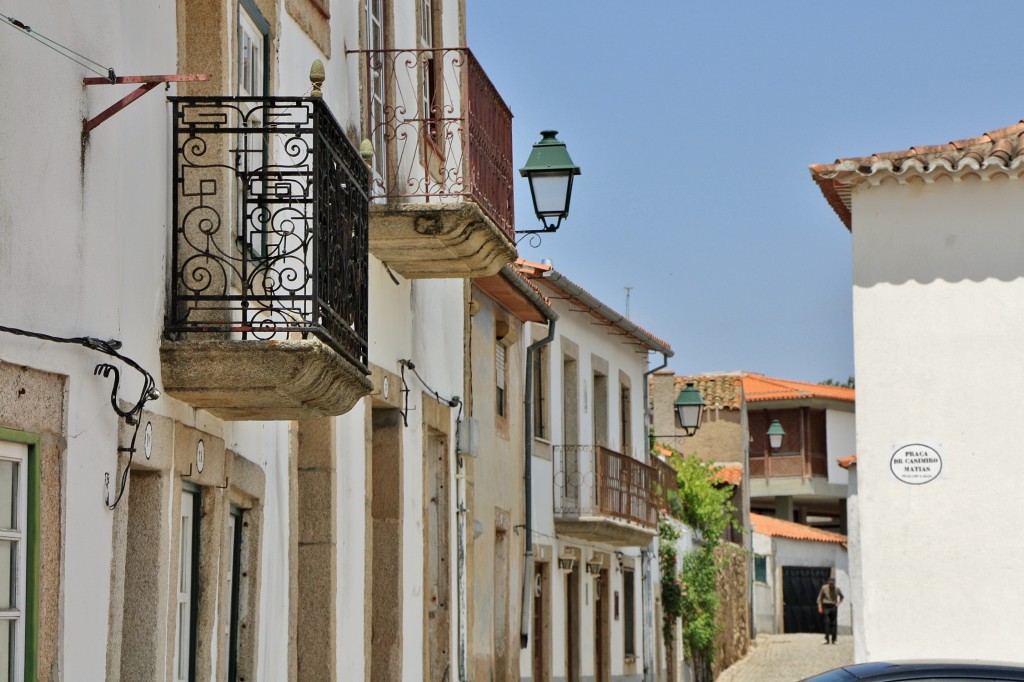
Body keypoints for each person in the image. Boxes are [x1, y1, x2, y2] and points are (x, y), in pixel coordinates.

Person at [816, 577, 844, 644]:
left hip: (833, 606)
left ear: (834, 583)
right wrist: (820, 607)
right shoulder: (824, 588)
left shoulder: (837, 589)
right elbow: (819, 598)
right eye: (830, 584)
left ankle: (834, 640)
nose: (831, 585)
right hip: (826, 606)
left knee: (834, 623)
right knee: (827, 622)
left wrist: (838, 603)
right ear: (828, 583)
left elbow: (842, 597)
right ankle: (826, 639)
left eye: (832, 584)